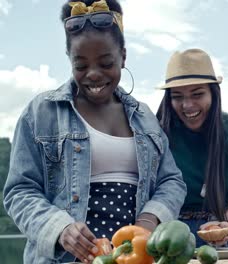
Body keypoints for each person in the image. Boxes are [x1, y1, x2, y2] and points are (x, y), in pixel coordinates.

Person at [2, 1, 186, 263]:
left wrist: (149, 218)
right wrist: (60, 228)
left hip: (135, 258)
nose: (94, 75)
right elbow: (19, 190)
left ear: (123, 55)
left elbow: (172, 181)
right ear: (69, 59)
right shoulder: (40, 112)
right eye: (81, 65)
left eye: (106, 63)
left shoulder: (145, 117)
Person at [156, 48, 228, 247]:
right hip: (171, 236)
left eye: (197, 94)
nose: (187, 105)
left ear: (213, 94)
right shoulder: (157, 134)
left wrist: (221, 225)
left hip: (224, 232)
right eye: (177, 97)